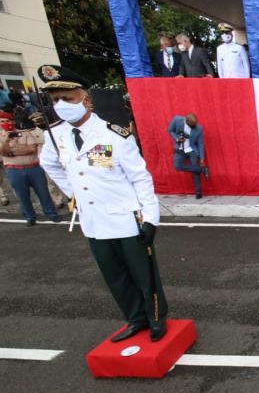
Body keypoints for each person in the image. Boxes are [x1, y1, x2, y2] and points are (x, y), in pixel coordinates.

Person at [37, 65, 168, 342]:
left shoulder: (112, 134)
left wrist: (151, 218)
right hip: (93, 220)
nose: (61, 105)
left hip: (126, 217)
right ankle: (135, 319)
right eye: (55, 100)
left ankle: (156, 318)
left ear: (86, 99)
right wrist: (74, 193)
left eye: (67, 98)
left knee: (144, 275)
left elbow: (140, 178)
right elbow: (49, 164)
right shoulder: (56, 136)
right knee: (115, 276)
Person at [0, 110, 60, 226]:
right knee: (22, 195)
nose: (6, 123)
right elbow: (3, 152)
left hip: (34, 167)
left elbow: (32, 149)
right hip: (14, 170)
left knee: (43, 192)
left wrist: (12, 152)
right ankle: (29, 217)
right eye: (2, 121)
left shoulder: (25, 132)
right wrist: (7, 140)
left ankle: (51, 213)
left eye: (8, 120)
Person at [168, 114, 208, 199]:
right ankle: (202, 169)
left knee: (195, 171)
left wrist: (202, 157)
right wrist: (177, 139)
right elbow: (170, 130)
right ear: (187, 121)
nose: (195, 127)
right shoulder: (176, 120)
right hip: (180, 149)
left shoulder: (199, 128)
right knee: (177, 166)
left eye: (195, 124)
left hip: (192, 150)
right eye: (193, 126)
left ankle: (198, 192)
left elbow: (200, 143)